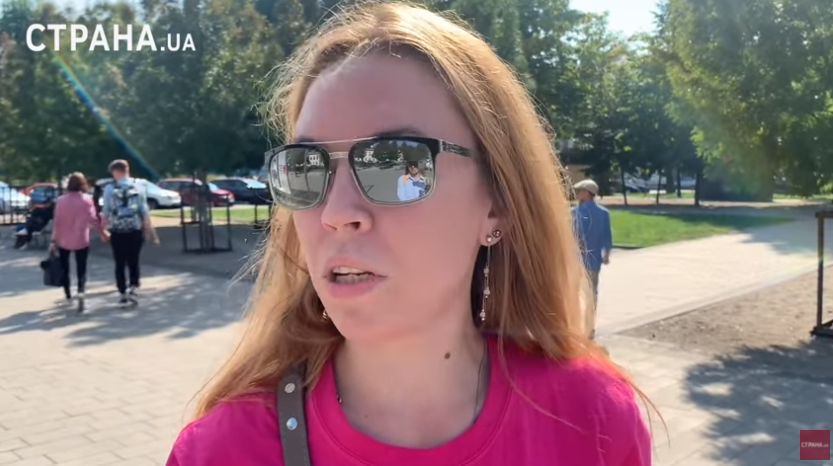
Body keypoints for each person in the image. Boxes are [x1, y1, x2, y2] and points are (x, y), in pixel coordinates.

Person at [165, 3, 652, 466]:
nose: (336, 212)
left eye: (394, 163)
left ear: (497, 204)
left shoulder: (593, 421)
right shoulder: (221, 451)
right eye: (307, 166)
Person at [100, 159, 159, 307]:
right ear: (127, 170)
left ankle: (122, 292)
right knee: (134, 260)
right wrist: (150, 232)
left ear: (116, 171)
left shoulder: (109, 189)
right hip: (135, 230)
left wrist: (102, 230)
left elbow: (106, 212)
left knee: (119, 262)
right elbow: (144, 213)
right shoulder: (139, 187)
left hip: (117, 231)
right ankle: (133, 287)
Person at [49, 172, 109, 312]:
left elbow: (57, 222)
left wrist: (53, 241)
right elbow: (93, 220)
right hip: (81, 237)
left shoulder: (61, 200)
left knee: (64, 267)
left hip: (63, 238)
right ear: (83, 184)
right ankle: (81, 291)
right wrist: (103, 232)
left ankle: (68, 295)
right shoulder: (87, 200)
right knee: (81, 268)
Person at [572, 179, 613, 339]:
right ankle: (589, 326)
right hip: (594, 260)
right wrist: (607, 254)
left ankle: (575, 324)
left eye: (579, 191)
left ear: (587, 193)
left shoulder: (575, 212)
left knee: (574, 293)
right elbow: (607, 236)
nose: (577, 194)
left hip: (575, 261)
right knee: (591, 293)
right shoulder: (603, 213)